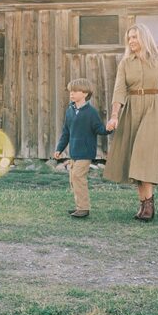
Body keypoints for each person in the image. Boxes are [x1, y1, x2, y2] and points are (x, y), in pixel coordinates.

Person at [103, 24, 158, 221]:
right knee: (135, 157)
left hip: (154, 107)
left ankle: (149, 204)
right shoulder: (125, 63)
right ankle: (144, 204)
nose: (131, 41)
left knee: (145, 154)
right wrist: (114, 115)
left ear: (144, 38)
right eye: (129, 38)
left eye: (135, 37)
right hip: (132, 108)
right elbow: (119, 90)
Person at [54, 78, 111, 218]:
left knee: (78, 177)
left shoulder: (91, 112)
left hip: (85, 152)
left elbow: (100, 129)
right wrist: (59, 149)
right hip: (73, 152)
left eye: (75, 91)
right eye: (70, 91)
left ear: (85, 94)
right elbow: (66, 132)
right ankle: (79, 206)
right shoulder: (70, 111)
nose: (71, 94)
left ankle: (83, 209)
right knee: (73, 180)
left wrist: (109, 128)